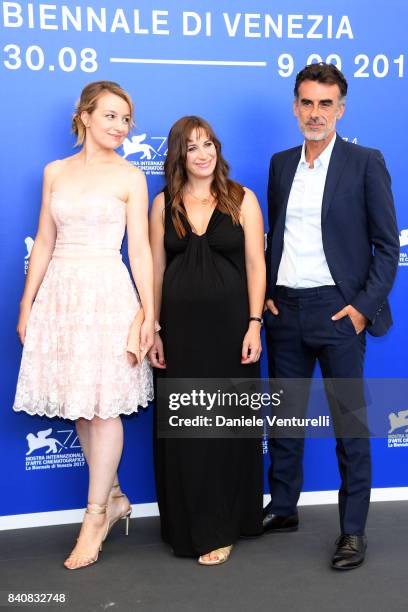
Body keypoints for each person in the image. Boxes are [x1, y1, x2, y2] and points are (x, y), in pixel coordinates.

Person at [13, 81, 154, 569]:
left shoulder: (131, 177)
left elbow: (139, 251)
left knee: (105, 407)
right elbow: (46, 242)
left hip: (107, 295)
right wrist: (27, 304)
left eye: (126, 119)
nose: (119, 126)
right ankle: (113, 494)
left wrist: (149, 315)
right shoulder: (55, 172)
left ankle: (95, 517)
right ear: (86, 117)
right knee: (80, 401)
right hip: (61, 294)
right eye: (111, 116)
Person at [263, 62, 399, 570]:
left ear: (340, 109)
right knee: (284, 419)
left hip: (340, 312)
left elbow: (387, 246)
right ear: (295, 106)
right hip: (286, 312)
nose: (315, 112)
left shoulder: (365, 162)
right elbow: (275, 237)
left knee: (350, 423)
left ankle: (352, 531)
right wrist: (267, 296)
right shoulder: (280, 165)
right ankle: (282, 509)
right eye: (306, 102)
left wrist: (362, 310)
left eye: (325, 104)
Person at [148, 116, 265, 565]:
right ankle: (185, 524)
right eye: (193, 146)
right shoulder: (163, 204)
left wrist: (254, 323)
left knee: (223, 430)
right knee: (185, 432)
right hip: (178, 335)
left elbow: (256, 264)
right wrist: (153, 327)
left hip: (230, 332)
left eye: (209, 144)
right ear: (179, 154)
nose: (203, 153)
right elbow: (156, 270)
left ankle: (223, 526)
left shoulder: (241, 199)